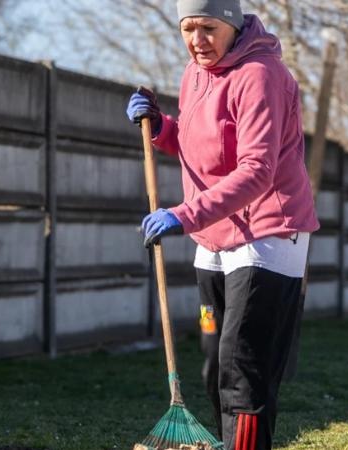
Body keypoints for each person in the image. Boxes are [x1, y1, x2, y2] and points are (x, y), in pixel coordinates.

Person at [125, 1, 319, 449]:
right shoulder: (195, 74)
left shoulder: (260, 75)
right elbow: (202, 147)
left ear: (232, 24)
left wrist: (181, 214)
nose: (197, 40)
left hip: (267, 235)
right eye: (188, 29)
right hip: (214, 236)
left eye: (208, 28)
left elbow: (256, 171)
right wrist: (160, 127)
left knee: (241, 370)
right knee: (216, 368)